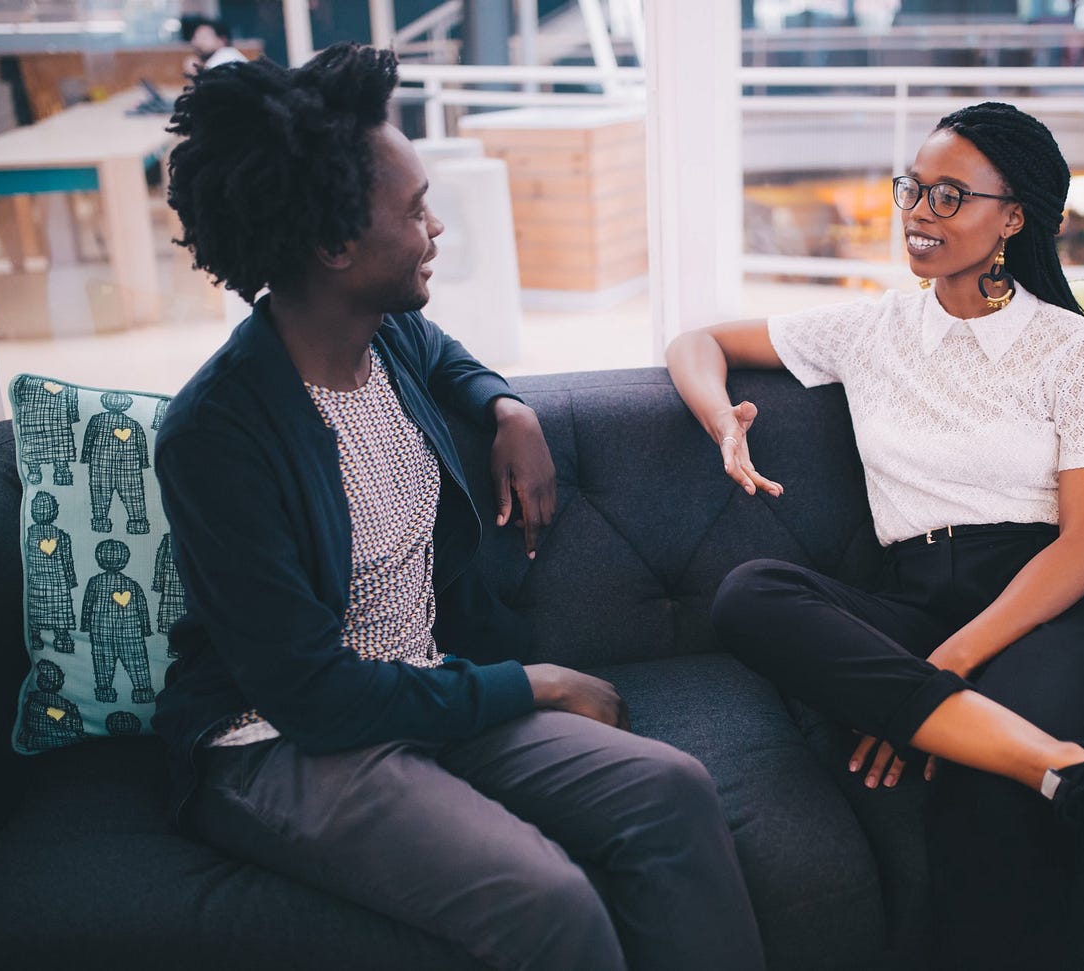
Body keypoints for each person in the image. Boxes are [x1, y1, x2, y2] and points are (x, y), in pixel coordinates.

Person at [155, 43, 764, 971]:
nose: (435, 228)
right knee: (547, 898)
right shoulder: (218, 436)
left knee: (671, 792)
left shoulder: (387, 334)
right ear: (334, 246)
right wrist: (541, 682)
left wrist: (508, 406)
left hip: (424, 686)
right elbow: (312, 693)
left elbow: (449, 359)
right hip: (282, 741)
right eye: (414, 210)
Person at [666, 101, 1084, 965]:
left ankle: (1026, 762)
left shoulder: (1075, 349)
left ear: (1015, 216)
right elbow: (695, 338)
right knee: (751, 594)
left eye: (951, 194)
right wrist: (720, 422)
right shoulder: (870, 327)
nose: (921, 212)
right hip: (915, 598)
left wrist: (939, 671)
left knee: (982, 793)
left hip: (1057, 609)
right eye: (914, 188)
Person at [180, 15, 246, 73]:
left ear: (222, 40)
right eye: (195, 38)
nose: (197, 43)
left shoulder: (226, 57)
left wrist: (196, 74)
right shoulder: (220, 58)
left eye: (204, 38)